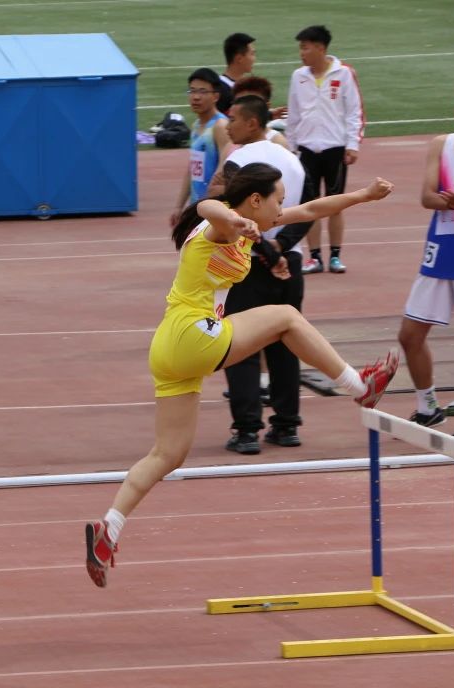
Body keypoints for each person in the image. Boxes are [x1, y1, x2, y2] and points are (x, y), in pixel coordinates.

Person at [84, 164, 397, 588]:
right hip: (192, 334)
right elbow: (208, 207)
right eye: (277, 200)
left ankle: (109, 528)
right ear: (254, 200)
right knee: (286, 317)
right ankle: (360, 386)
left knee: (168, 455)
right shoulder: (223, 226)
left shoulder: (253, 226)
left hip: (170, 348)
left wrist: (362, 195)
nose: (281, 209)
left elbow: (311, 210)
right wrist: (234, 220)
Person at [219, 95, 311, 454]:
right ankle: (286, 425)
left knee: (241, 344)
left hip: (248, 263)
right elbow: (309, 211)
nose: (228, 126)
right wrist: (282, 246)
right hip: (290, 260)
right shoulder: (294, 160)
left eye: (234, 119)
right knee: (286, 343)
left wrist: (266, 252)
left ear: (252, 123)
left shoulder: (238, 161)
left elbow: (236, 215)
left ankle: (246, 430)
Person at [397, 77, 454, 439]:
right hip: (441, 250)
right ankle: (428, 407)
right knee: (410, 334)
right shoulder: (440, 145)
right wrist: (449, 199)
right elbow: (427, 197)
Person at [287, 25, 364, 275]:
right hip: (307, 149)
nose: (302, 53)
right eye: (301, 48)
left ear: (320, 48)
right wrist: (290, 148)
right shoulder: (298, 76)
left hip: (335, 149)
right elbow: (293, 115)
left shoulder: (344, 74)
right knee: (309, 205)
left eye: (305, 47)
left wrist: (352, 145)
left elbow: (354, 111)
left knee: (335, 204)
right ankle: (315, 258)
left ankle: (335, 256)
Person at [169, 68, 229, 228]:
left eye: (203, 92)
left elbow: (226, 167)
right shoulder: (196, 126)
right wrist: (179, 206)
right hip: (198, 208)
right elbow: (192, 169)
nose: (196, 97)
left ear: (216, 96)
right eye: (192, 91)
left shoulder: (220, 126)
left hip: (215, 209)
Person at [217, 32, 256, 114]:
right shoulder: (222, 90)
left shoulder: (246, 85)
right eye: (252, 54)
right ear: (239, 58)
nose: (254, 59)